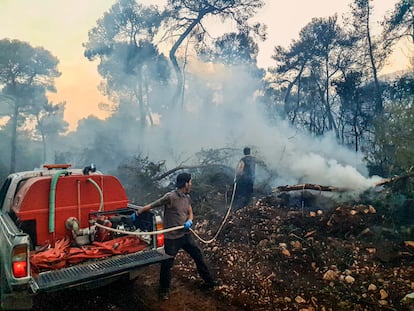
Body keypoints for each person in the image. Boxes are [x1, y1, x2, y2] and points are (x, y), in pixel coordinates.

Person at [137, 172, 218, 300]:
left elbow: (190, 213)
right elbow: (153, 205)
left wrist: (189, 221)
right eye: (190, 182)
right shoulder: (170, 197)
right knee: (167, 265)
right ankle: (164, 290)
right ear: (185, 183)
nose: (191, 184)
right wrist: (138, 212)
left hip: (185, 235)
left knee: (198, 255)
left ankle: (209, 282)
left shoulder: (187, 197)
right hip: (172, 238)